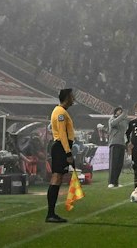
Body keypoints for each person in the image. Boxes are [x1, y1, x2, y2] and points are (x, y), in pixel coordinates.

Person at [46, 87, 76, 224]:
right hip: (60, 148)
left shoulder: (61, 112)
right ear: (67, 98)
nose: (73, 98)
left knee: (57, 178)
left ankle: (51, 213)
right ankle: (50, 213)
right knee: (56, 178)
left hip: (61, 147)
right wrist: (68, 152)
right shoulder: (60, 113)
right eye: (72, 96)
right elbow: (63, 134)